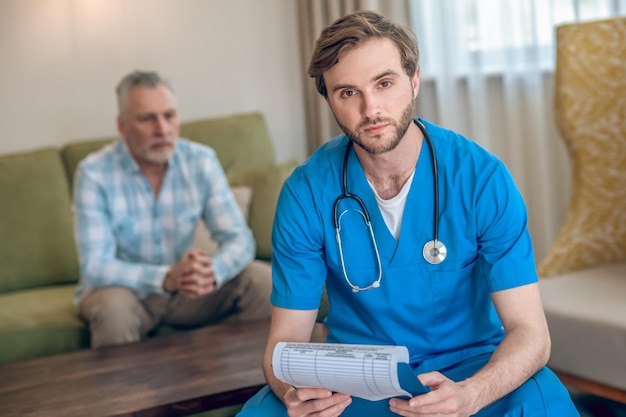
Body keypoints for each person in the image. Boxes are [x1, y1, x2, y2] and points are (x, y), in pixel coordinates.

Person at [237, 10, 579, 417]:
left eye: (384, 83)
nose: (371, 108)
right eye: (348, 93)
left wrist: (472, 394)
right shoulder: (306, 191)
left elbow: (532, 334)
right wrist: (291, 391)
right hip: (356, 383)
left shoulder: (481, 179)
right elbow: (283, 345)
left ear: (414, 80)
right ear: (328, 100)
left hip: (469, 372)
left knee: (542, 400)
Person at [73, 70, 272, 348]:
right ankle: (125, 393)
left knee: (263, 280)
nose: (163, 129)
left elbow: (239, 238)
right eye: (147, 118)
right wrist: (165, 277)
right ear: (122, 126)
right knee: (113, 309)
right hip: (127, 293)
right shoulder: (93, 172)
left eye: (169, 115)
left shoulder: (200, 161)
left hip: (187, 293)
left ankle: (258, 384)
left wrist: (211, 272)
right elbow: (95, 266)